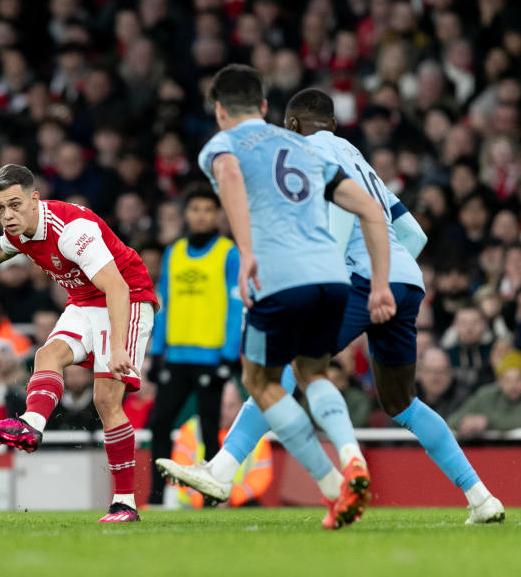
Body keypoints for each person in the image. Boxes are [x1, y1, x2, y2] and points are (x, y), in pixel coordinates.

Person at [164, 86, 504, 525]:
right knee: (402, 402)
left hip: (363, 282)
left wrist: (351, 279)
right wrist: (388, 277)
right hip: (405, 281)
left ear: (290, 125)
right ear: (334, 123)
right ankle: (481, 497)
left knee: (281, 368)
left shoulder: (306, 154)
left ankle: (222, 470)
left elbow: (343, 218)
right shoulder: (359, 158)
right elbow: (415, 235)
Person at [156, 66, 396, 530]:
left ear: (220, 110)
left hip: (280, 278)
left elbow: (228, 175)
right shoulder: (303, 147)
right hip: (332, 279)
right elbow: (369, 208)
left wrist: (245, 252)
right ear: (265, 107)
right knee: (312, 371)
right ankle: (352, 457)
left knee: (260, 381)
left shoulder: (221, 146)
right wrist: (381, 283)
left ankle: (330, 486)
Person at [0, 163, 158, 523]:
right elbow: (2, 247)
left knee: (105, 400)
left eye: (15, 205)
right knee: (48, 354)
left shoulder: (72, 231)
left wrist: (119, 347)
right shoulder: (18, 231)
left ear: (35, 199)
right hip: (84, 302)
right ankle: (31, 425)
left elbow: (117, 287)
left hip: (127, 298)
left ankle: (125, 503)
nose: (7, 215)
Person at [147, 184, 242, 505]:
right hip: (176, 356)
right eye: (195, 209)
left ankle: (213, 497)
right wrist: (157, 351)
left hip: (212, 357)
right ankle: (157, 496)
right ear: (186, 214)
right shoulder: (174, 252)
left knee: (210, 427)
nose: (200, 215)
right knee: (159, 423)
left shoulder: (228, 252)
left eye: (207, 210)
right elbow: (165, 303)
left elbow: (236, 306)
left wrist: (230, 354)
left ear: (217, 215)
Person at [447, 350, 521, 437]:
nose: (513, 385)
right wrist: (467, 423)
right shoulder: (485, 396)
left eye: (518, 379)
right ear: (499, 381)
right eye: (507, 380)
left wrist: (487, 422)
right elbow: (452, 421)